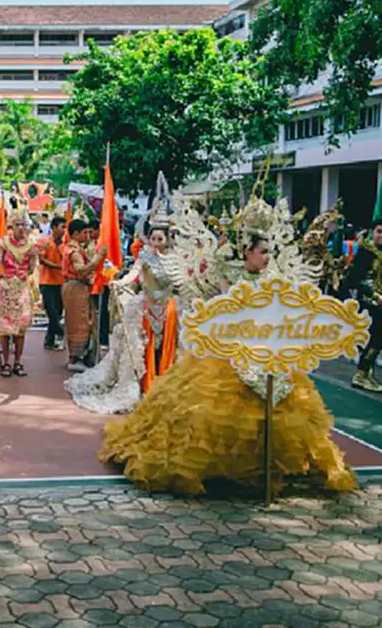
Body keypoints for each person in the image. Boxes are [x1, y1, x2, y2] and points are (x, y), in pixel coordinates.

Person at [100, 192, 356, 497]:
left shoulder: (275, 279)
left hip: (266, 354)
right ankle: (219, 468)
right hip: (229, 354)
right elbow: (220, 309)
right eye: (263, 251)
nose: (268, 257)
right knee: (212, 410)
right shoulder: (226, 273)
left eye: (270, 251)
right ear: (247, 251)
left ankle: (265, 464)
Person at [67, 199, 176, 415]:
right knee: (141, 347)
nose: (155, 242)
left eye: (159, 239)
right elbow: (134, 275)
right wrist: (119, 282)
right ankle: (147, 384)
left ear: (167, 240)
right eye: (152, 238)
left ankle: (168, 383)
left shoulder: (176, 260)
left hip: (169, 308)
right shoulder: (144, 257)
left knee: (170, 346)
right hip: (146, 307)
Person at [342, 181, 382, 393]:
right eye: (379, 232)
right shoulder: (365, 252)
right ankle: (361, 374)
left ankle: (367, 374)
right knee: (376, 340)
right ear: (372, 232)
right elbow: (353, 280)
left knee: (377, 340)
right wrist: (374, 294)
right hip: (370, 302)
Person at [0, 213, 39, 377]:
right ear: (11, 226)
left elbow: (32, 268)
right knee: (4, 328)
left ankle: (18, 362)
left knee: (21, 328)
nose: (20, 228)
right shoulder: (2, 244)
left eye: (23, 225)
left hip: (22, 289)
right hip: (5, 287)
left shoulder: (31, 246)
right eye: (17, 224)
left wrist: (23, 276)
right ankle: (5, 362)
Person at [61, 220, 108, 371]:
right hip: (76, 287)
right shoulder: (73, 251)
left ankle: (81, 356)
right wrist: (98, 258)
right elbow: (81, 270)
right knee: (79, 323)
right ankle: (75, 358)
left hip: (78, 288)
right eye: (84, 233)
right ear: (75, 234)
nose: (87, 236)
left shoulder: (76, 248)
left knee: (85, 320)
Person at [38, 216, 67, 351]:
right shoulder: (45, 242)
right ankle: (61, 332)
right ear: (54, 227)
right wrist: (57, 266)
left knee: (58, 312)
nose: (64, 230)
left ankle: (49, 341)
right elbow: (42, 259)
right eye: (62, 227)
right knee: (52, 312)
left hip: (60, 282)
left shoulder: (64, 245)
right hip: (46, 282)